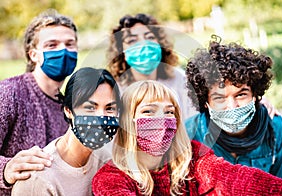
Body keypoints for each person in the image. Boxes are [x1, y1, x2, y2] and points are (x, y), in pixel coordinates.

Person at [92, 80, 282, 195]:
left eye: (169, 112)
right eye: (148, 112)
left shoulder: (191, 158)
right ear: (128, 121)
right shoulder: (110, 179)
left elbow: (233, 177)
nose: (162, 120)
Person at [185, 36, 282, 181]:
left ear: (255, 94)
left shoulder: (275, 128)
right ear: (206, 102)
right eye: (219, 98)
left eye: (241, 95)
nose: (232, 106)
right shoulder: (190, 133)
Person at [0, 9, 78, 195]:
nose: (63, 51)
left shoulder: (70, 106)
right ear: (34, 54)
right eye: (52, 45)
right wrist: (5, 169)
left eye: (70, 44)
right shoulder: (9, 94)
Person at [12, 67, 120, 195]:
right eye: (90, 107)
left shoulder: (107, 162)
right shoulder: (38, 179)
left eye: (109, 108)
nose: (101, 117)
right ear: (68, 110)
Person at [106, 13, 197, 120]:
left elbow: (193, 122)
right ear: (121, 52)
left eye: (149, 37)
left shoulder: (180, 79)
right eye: (132, 40)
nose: (143, 44)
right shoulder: (115, 91)